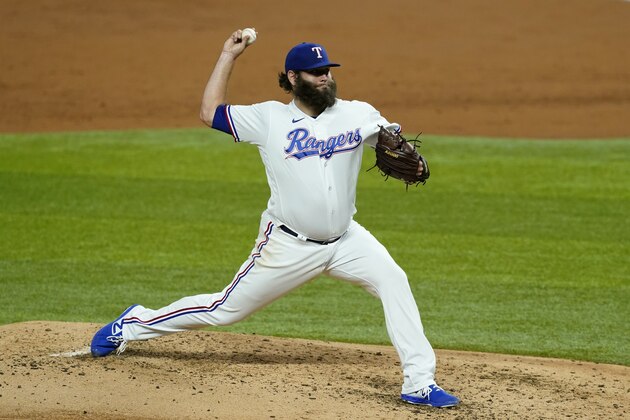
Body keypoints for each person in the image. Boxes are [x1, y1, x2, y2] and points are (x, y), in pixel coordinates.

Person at [90, 28, 460, 408]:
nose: (325, 77)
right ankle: (132, 324)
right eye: (316, 72)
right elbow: (209, 113)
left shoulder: (357, 113)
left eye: (328, 70)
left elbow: (392, 141)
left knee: (394, 280)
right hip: (288, 244)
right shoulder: (268, 119)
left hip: (347, 240)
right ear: (294, 78)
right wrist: (227, 56)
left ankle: (419, 382)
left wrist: (402, 150)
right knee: (225, 310)